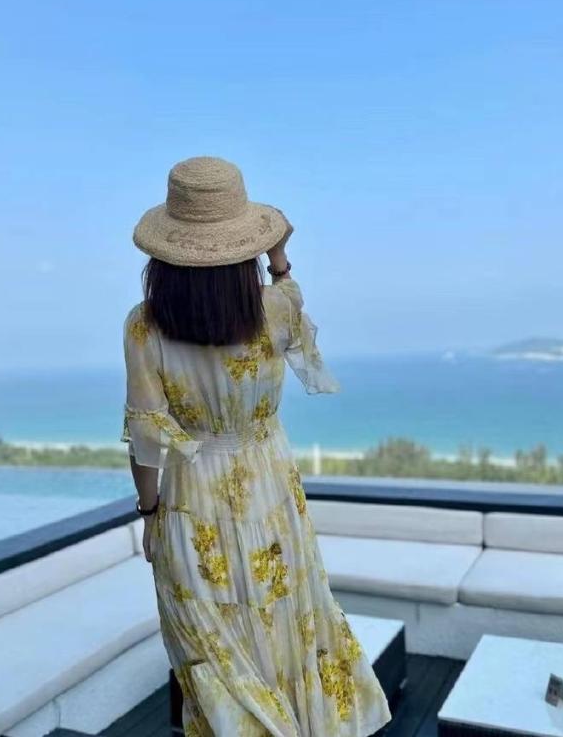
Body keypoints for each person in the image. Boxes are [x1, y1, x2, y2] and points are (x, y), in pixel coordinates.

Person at [121, 156, 392, 736]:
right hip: (271, 495)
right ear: (243, 245)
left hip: (193, 501)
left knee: (216, 661)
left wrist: (149, 514)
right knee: (287, 636)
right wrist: (279, 257)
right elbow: (292, 301)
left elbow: (147, 437)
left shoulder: (144, 325)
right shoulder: (274, 309)